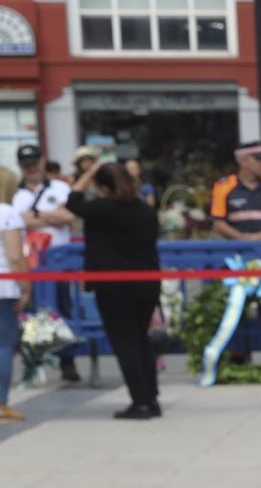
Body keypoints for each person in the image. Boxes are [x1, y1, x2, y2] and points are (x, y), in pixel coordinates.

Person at [65, 163, 163, 420]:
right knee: (140, 339)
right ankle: (150, 397)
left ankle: (140, 401)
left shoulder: (101, 209)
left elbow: (72, 200)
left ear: (102, 187)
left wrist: (89, 171)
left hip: (114, 285)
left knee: (125, 342)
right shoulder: (145, 210)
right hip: (147, 283)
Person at [12, 144, 81, 383]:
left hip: (57, 262)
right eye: (26, 164)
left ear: (42, 162)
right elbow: (14, 221)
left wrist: (35, 217)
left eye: (34, 162)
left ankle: (68, 362)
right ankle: (32, 367)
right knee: (27, 316)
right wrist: (50, 216)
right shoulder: (15, 192)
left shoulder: (60, 187)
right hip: (27, 263)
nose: (31, 168)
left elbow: (69, 216)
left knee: (62, 312)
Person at [209, 144, 261, 242]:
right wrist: (242, 238)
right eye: (258, 159)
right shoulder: (223, 186)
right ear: (243, 161)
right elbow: (218, 222)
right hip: (237, 249)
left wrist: (260, 236)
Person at [0, 166, 25, 421]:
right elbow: (15, 255)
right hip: (4, 285)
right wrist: (26, 286)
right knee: (3, 346)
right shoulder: (8, 213)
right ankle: (1, 401)